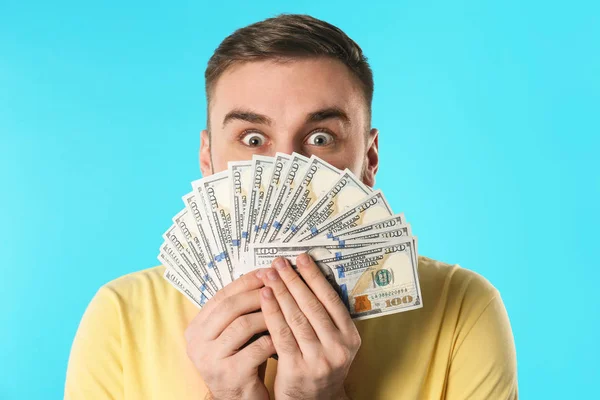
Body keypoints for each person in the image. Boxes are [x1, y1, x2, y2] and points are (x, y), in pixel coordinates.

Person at [65, 14, 518, 400]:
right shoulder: (120, 315)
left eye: (321, 138)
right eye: (253, 139)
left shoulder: (461, 308)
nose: (286, 168)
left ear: (369, 159)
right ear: (208, 160)